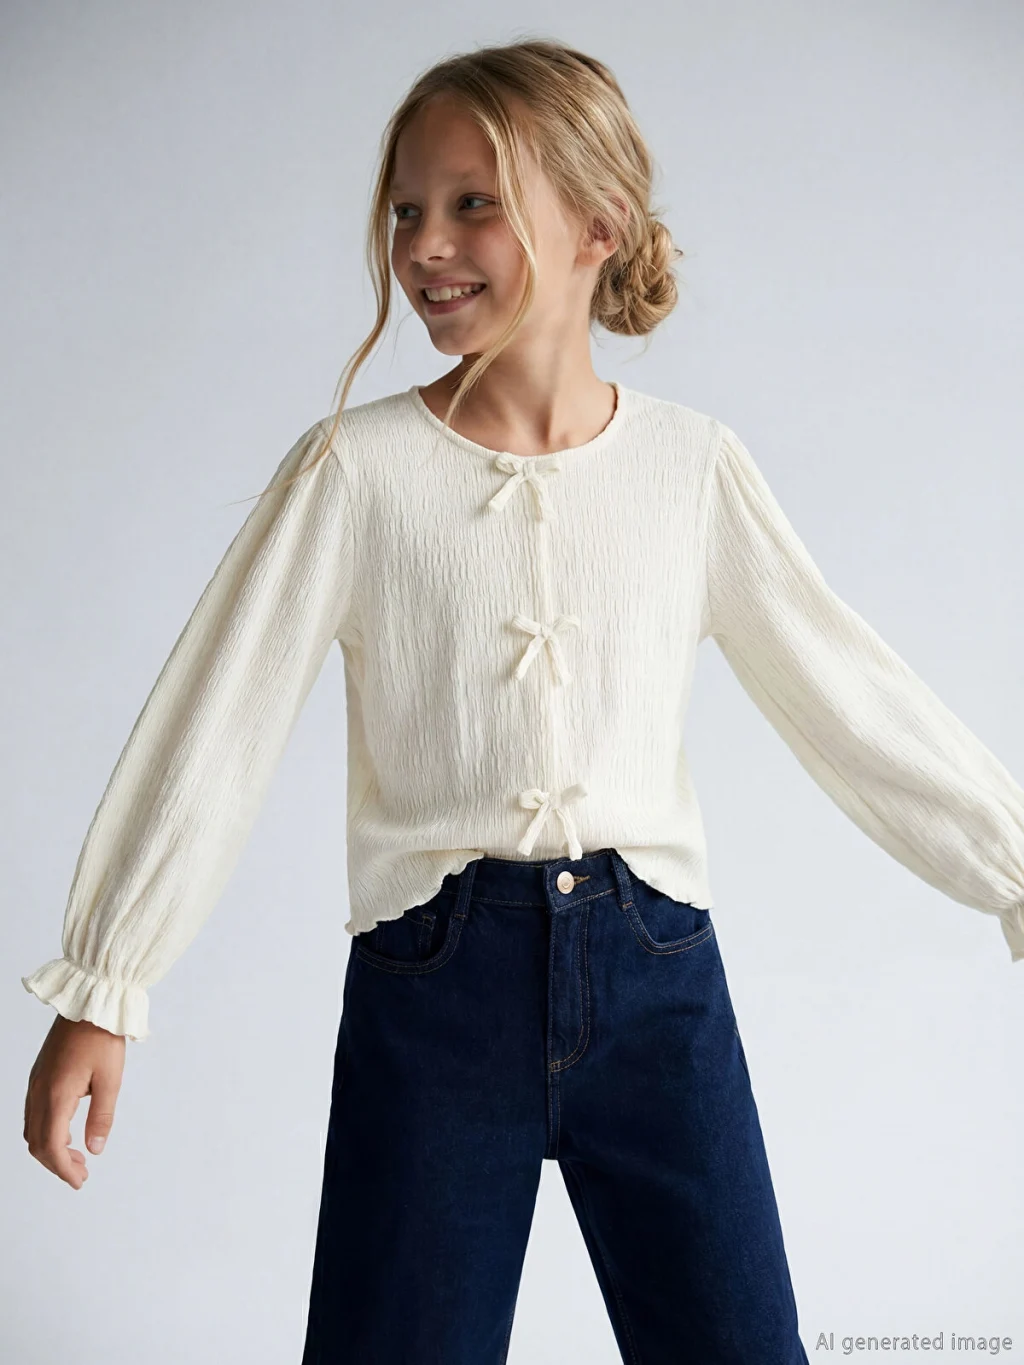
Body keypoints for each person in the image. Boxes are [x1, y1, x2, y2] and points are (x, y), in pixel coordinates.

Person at [21, 36, 1024, 1365]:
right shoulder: (356, 472)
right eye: (405, 210)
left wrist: (1012, 872)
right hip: (434, 996)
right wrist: (106, 977)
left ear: (598, 223)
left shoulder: (690, 471)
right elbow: (215, 725)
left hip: (659, 984)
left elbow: (849, 693)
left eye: (472, 203)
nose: (425, 244)